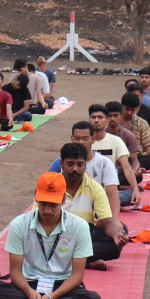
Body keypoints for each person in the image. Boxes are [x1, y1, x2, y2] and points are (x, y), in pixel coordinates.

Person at [0, 172, 103, 299]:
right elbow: (15, 271)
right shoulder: (20, 224)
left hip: (63, 286)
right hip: (29, 283)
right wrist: (30, 292)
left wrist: (51, 297)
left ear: (63, 200)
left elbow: (77, 275)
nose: (47, 211)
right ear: (36, 197)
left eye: (53, 205)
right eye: (43, 204)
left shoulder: (79, 226)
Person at [59, 143, 129, 271]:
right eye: (70, 164)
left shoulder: (95, 188)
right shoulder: (51, 184)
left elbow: (108, 223)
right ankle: (85, 263)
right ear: (61, 164)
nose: (75, 169)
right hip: (56, 235)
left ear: (85, 165)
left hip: (83, 236)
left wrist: (116, 235)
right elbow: (38, 218)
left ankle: (62, 260)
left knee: (115, 245)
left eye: (80, 165)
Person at [48, 121, 127, 215]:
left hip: (95, 210)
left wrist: (115, 219)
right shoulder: (60, 162)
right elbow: (47, 187)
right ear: (72, 139)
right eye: (76, 138)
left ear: (93, 139)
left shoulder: (105, 163)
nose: (81, 142)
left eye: (85, 138)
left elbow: (112, 194)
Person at [87, 104, 140, 207]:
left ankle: (108, 203)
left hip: (109, 188)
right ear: (89, 121)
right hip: (88, 189)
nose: (96, 120)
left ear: (106, 121)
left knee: (131, 195)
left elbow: (126, 167)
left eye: (100, 117)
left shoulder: (115, 141)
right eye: (93, 117)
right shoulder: (84, 141)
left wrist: (136, 189)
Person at [119, 93, 150, 170]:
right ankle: (128, 167)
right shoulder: (115, 121)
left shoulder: (141, 123)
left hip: (135, 157)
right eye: (127, 109)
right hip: (117, 157)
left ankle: (128, 167)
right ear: (122, 107)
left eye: (132, 110)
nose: (129, 113)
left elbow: (149, 148)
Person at [104, 101, 143, 176]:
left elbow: (134, 160)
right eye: (109, 116)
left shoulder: (129, 136)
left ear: (121, 117)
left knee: (138, 176)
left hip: (122, 171)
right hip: (105, 172)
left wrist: (135, 168)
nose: (112, 119)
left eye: (116, 116)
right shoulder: (101, 135)